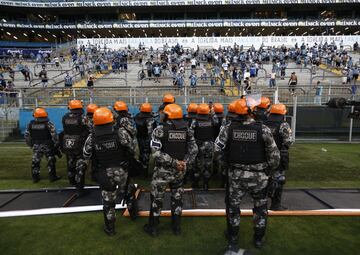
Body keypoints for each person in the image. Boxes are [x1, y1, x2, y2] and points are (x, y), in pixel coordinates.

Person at [214, 98, 280, 252]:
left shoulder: (228, 129)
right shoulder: (263, 129)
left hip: (235, 176)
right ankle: (258, 239)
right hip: (259, 177)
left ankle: (233, 238)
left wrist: (227, 165)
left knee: (233, 208)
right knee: (260, 208)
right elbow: (275, 157)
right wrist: (268, 170)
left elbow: (217, 151)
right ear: (252, 111)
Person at [143, 104, 198, 237]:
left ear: (168, 116)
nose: (161, 115)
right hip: (179, 171)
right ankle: (176, 228)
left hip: (162, 171)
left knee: (157, 199)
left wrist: (174, 163)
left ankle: (153, 228)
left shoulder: (159, 130)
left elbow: (155, 153)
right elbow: (194, 150)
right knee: (177, 198)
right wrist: (184, 163)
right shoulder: (187, 130)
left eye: (164, 113)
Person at [83, 107, 137, 236]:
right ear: (111, 119)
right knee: (129, 193)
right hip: (122, 170)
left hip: (104, 173)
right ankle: (134, 215)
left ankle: (110, 229)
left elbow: (86, 154)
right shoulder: (121, 133)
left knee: (108, 202)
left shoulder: (92, 137)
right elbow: (132, 149)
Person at [265, 104, 293, 211]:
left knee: (266, 178)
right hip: (278, 156)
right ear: (283, 113)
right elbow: (288, 142)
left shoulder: (264, 122)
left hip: (265, 155)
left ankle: (263, 202)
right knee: (279, 179)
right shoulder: (283, 125)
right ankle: (275, 205)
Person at [24, 108, 62, 183]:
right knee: (51, 160)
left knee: (35, 161)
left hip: (36, 145)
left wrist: (30, 144)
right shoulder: (48, 123)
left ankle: (35, 178)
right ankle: (52, 177)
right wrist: (56, 144)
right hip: (48, 145)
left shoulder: (30, 124)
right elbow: (54, 135)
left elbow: (26, 135)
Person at [61, 100, 89, 195]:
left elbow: (65, 129)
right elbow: (89, 128)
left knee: (70, 162)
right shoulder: (83, 117)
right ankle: (79, 188)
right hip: (80, 143)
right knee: (80, 165)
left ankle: (71, 181)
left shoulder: (65, 117)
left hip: (68, 143)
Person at [190, 103, 218, 190]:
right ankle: (206, 184)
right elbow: (217, 123)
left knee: (197, 165)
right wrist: (213, 112)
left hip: (198, 144)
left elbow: (190, 133)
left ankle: (196, 184)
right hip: (209, 144)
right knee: (208, 164)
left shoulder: (195, 120)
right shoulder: (211, 119)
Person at [134, 103, 156, 177]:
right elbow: (150, 131)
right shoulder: (150, 119)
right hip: (147, 138)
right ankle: (144, 174)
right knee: (145, 156)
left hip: (139, 138)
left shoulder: (137, 116)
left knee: (141, 154)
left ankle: (140, 171)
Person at [85, 103, 99, 181]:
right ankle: (94, 175)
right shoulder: (95, 120)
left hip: (86, 141)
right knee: (95, 159)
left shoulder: (84, 119)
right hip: (94, 140)